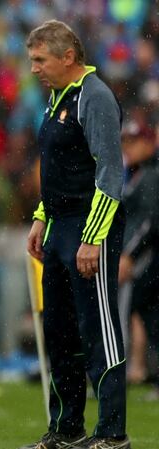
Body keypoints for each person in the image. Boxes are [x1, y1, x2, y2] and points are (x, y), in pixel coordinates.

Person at [23, 20, 129, 449]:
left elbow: (109, 173)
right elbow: (60, 170)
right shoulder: (55, 98)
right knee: (61, 332)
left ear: (68, 57)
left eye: (40, 60)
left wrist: (93, 236)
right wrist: (40, 216)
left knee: (98, 330)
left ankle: (112, 434)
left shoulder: (95, 96)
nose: (33, 69)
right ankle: (67, 429)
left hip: (90, 229)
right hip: (59, 228)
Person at [118, 120, 159, 401]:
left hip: (146, 258)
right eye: (126, 142)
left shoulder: (150, 176)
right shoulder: (138, 174)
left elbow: (149, 222)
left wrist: (130, 256)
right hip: (141, 255)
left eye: (134, 142)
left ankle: (136, 369)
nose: (128, 148)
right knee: (144, 313)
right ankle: (139, 369)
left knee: (147, 312)